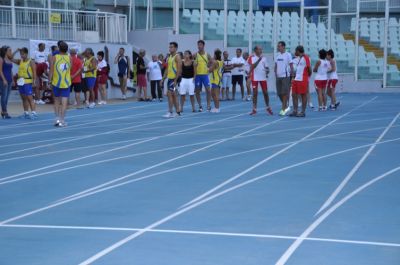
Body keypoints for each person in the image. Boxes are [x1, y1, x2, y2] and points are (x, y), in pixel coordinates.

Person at [48, 41, 71, 127]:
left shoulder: (54, 57)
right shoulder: (69, 58)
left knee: (56, 100)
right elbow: (70, 68)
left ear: (59, 49)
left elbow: (51, 70)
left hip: (56, 82)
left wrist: (49, 80)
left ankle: (57, 119)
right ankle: (62, 120)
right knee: (64, 101)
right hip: (66, 82)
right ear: (67, 49)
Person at [12, 47, 37, 119]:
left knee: (30, 98)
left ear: (26, 54)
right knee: (24, 98)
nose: (21, 55)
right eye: (21, 54)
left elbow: (34, 72)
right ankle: (26, 113)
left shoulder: (31, 61)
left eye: (23, 54)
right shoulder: (20, 61)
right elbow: (11, 58)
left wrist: (34, 82)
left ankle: (33, 113)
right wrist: (16, 50)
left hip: (28, 82)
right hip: (20, 82)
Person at [248, 46, 272, 115]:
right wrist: (259, 59)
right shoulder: (251, 57)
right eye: (259, 49)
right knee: (255, 93)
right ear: (255, 50)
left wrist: (267, 71)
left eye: (261, 49)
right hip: (255, 78)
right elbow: (252, 66)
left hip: (263, 78)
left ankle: (268, 107)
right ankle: (254, 109)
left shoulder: (264, 58)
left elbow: (267, 68)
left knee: (265, 93)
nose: (261, 50)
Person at [289, 45, 311, 117]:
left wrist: (307, 77)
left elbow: (309, 68)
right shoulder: (300, 58)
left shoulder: (306, 57)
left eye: (296, 51)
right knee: (293, 94)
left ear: (298, 51)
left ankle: (302, 112)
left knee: (303, 95)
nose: (295, 52)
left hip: (302, 79)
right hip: (296, 79)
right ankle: (295, 111)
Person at [160, 42, 181, 118]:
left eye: (171, 47)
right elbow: (167, 69)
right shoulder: (169, 58)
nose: (170, 48)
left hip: (174, 79)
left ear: (175, 48)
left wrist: (175, 80)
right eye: (169, 47)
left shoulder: (177, 57)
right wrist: (163, 79)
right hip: (170, 78)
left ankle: (170, 112)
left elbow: (179, 69)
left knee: (169, 94)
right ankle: (177, 112)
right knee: (173, 95)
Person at [274, 41, 292, 116]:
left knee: (284, 93)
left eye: (279, 46)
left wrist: (292, 75)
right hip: (278, 77)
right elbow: (276, 65)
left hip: (285, 76)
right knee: (279, 93)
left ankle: (283, 109)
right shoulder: (277, 55)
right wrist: (275, 73)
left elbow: (291, 65)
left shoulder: (288, 55)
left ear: (283, 47)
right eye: (278, 46)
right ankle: (286, 105)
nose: (278, 47)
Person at [193, 40, 212, 112]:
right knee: (197, 91)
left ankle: (208, 105)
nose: (199, 46)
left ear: (203, 46)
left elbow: (212, 62)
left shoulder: (207, 54)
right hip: (198, 75)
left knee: (208, 90)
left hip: (205, 75)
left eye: (200, 45)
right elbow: (189, 61)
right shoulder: (195, 55)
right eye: (198, 45)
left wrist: (209, 68)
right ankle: (200, 106)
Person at [0, 46, 13, 119]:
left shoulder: (9, 60)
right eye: (9, 50)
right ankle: (4, 112)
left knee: (7, 97)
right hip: (3, 81)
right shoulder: (1, 59)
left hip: (10, 80)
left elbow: (10, 70)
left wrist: (13, 80)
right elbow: (0, 71)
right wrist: (4, 80)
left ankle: (3, 111)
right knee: (4, 97)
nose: (11, 52)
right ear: (5, 52)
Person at [209, 49, 223, 113]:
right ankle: (215, 107)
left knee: (216, 95)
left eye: (214, 54)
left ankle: (217, 108)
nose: (213, 55)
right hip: (216, 79)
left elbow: (210, 70)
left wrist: (206, 67)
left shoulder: (215, 62)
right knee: (212, 94)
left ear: (215, 55)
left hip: (216, 79)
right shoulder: (220, 61)